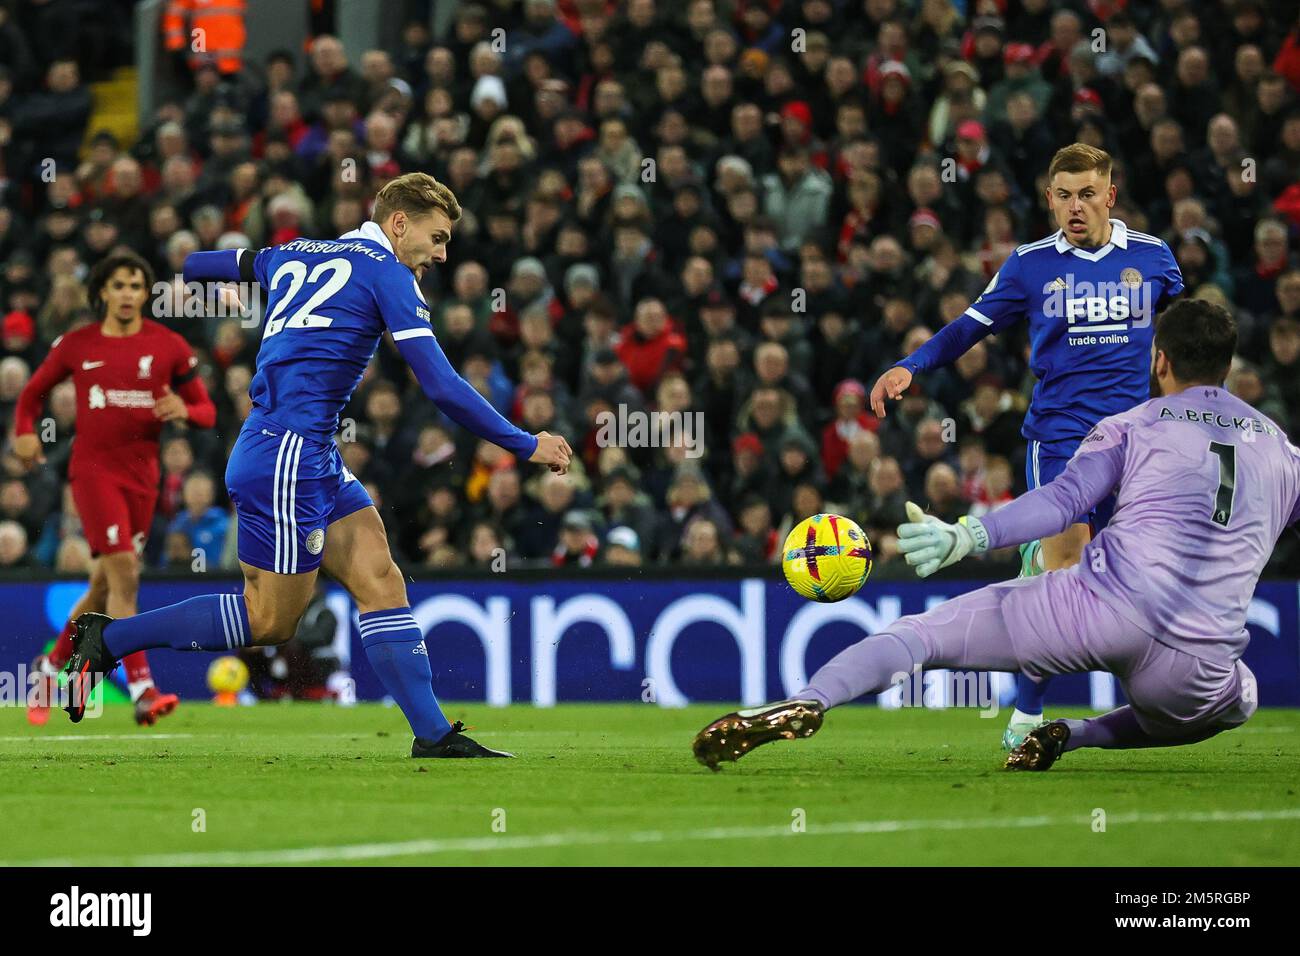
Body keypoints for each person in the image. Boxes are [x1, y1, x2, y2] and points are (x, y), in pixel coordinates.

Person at [63, 173, 573, 759]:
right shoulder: (387, 274)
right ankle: (109, 638)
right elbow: (442, 385)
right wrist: (522, 443)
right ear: (398, 224)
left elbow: (206, 260)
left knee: (379, 578)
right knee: (270, 621)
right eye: (436, 237)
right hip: (285, 456)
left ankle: (432, 735)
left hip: (310, 453)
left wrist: (212, 284)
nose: (441, 253)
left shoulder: (295, 253)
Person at [694, 300, 1288, 772]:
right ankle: (1075, 736)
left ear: (1158, 361)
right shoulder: (1282, 452)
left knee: (920, 637)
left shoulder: (1129, 425)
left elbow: (1061, 502)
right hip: (1198, 656)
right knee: (1238, 701)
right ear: (1228, 367)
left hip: (1097, 607)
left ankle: (811, 700)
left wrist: (970, 534)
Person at [869, 143, 1184, 750]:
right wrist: (912, 365)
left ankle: (1155, 702)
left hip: (1140, 445)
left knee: (1137, 577)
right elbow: (969, 328)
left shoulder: (1154, 259)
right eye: (1063, 195)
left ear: (1110, 196)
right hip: (1063, 440)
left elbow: (1184, 339)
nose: (1075, 206)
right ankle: (1029, 713)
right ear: (1049, 198)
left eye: (1088, 193)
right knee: (1063, 573)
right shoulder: (1030, 265)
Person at [14, 251, 216, 726]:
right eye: (118, 285)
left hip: (144, 479)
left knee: (104, 585)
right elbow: (30, 394)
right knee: (124, 573)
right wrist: (25, 431)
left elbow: (207, 411)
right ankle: (145, 689)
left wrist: (184, 411)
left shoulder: (167, 345)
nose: (127, 294)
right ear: (102, 290)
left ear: (146, 294)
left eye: (135, 286)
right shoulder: (77, 344)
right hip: (94, 472)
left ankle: (48, 669)